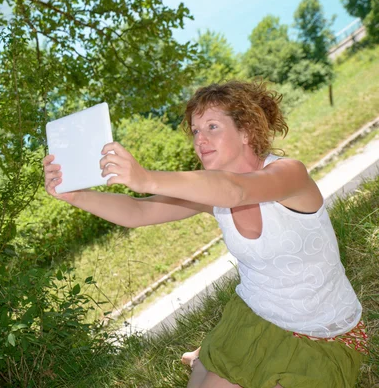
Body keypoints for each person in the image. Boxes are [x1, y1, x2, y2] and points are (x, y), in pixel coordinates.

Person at [42, 80, 368, 387]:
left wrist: (145, 177)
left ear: (246, 131)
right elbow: (137, 212)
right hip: (256, 315)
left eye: (212, 126)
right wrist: (74, 195)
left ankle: (203, 358)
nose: (200, 139)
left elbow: (236, 191)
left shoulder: (289, 175)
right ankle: (205, 357)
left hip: (324, 334)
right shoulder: (211, 195)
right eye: (196, 131)